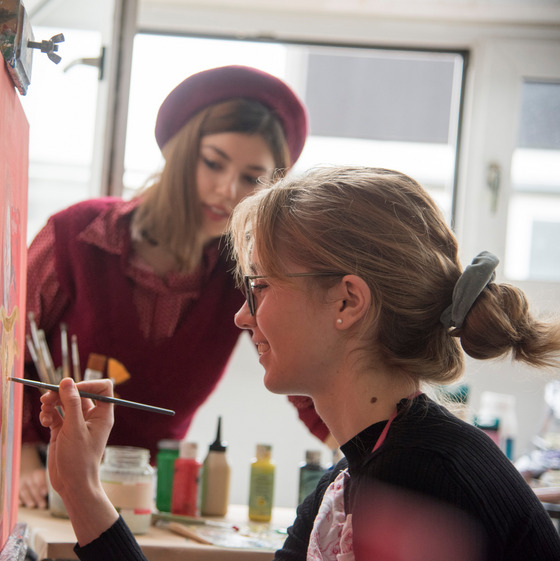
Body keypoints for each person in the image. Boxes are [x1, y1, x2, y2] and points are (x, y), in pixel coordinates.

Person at [38, 166, 560, 560]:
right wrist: (82, 488)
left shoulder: (424, 479)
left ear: (347, 302)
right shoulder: (355, 475)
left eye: (259, 286)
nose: (242, 316)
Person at [19, 65, 330, 509]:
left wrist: (372, 444)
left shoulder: (244, 275)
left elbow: (303, 375)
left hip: (142, 499)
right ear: (180, 152)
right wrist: (26, 461)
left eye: (252, 178)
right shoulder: (76, 235)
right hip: (36, 484)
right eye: (213, 163)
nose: (226, 190)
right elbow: (4, 353)